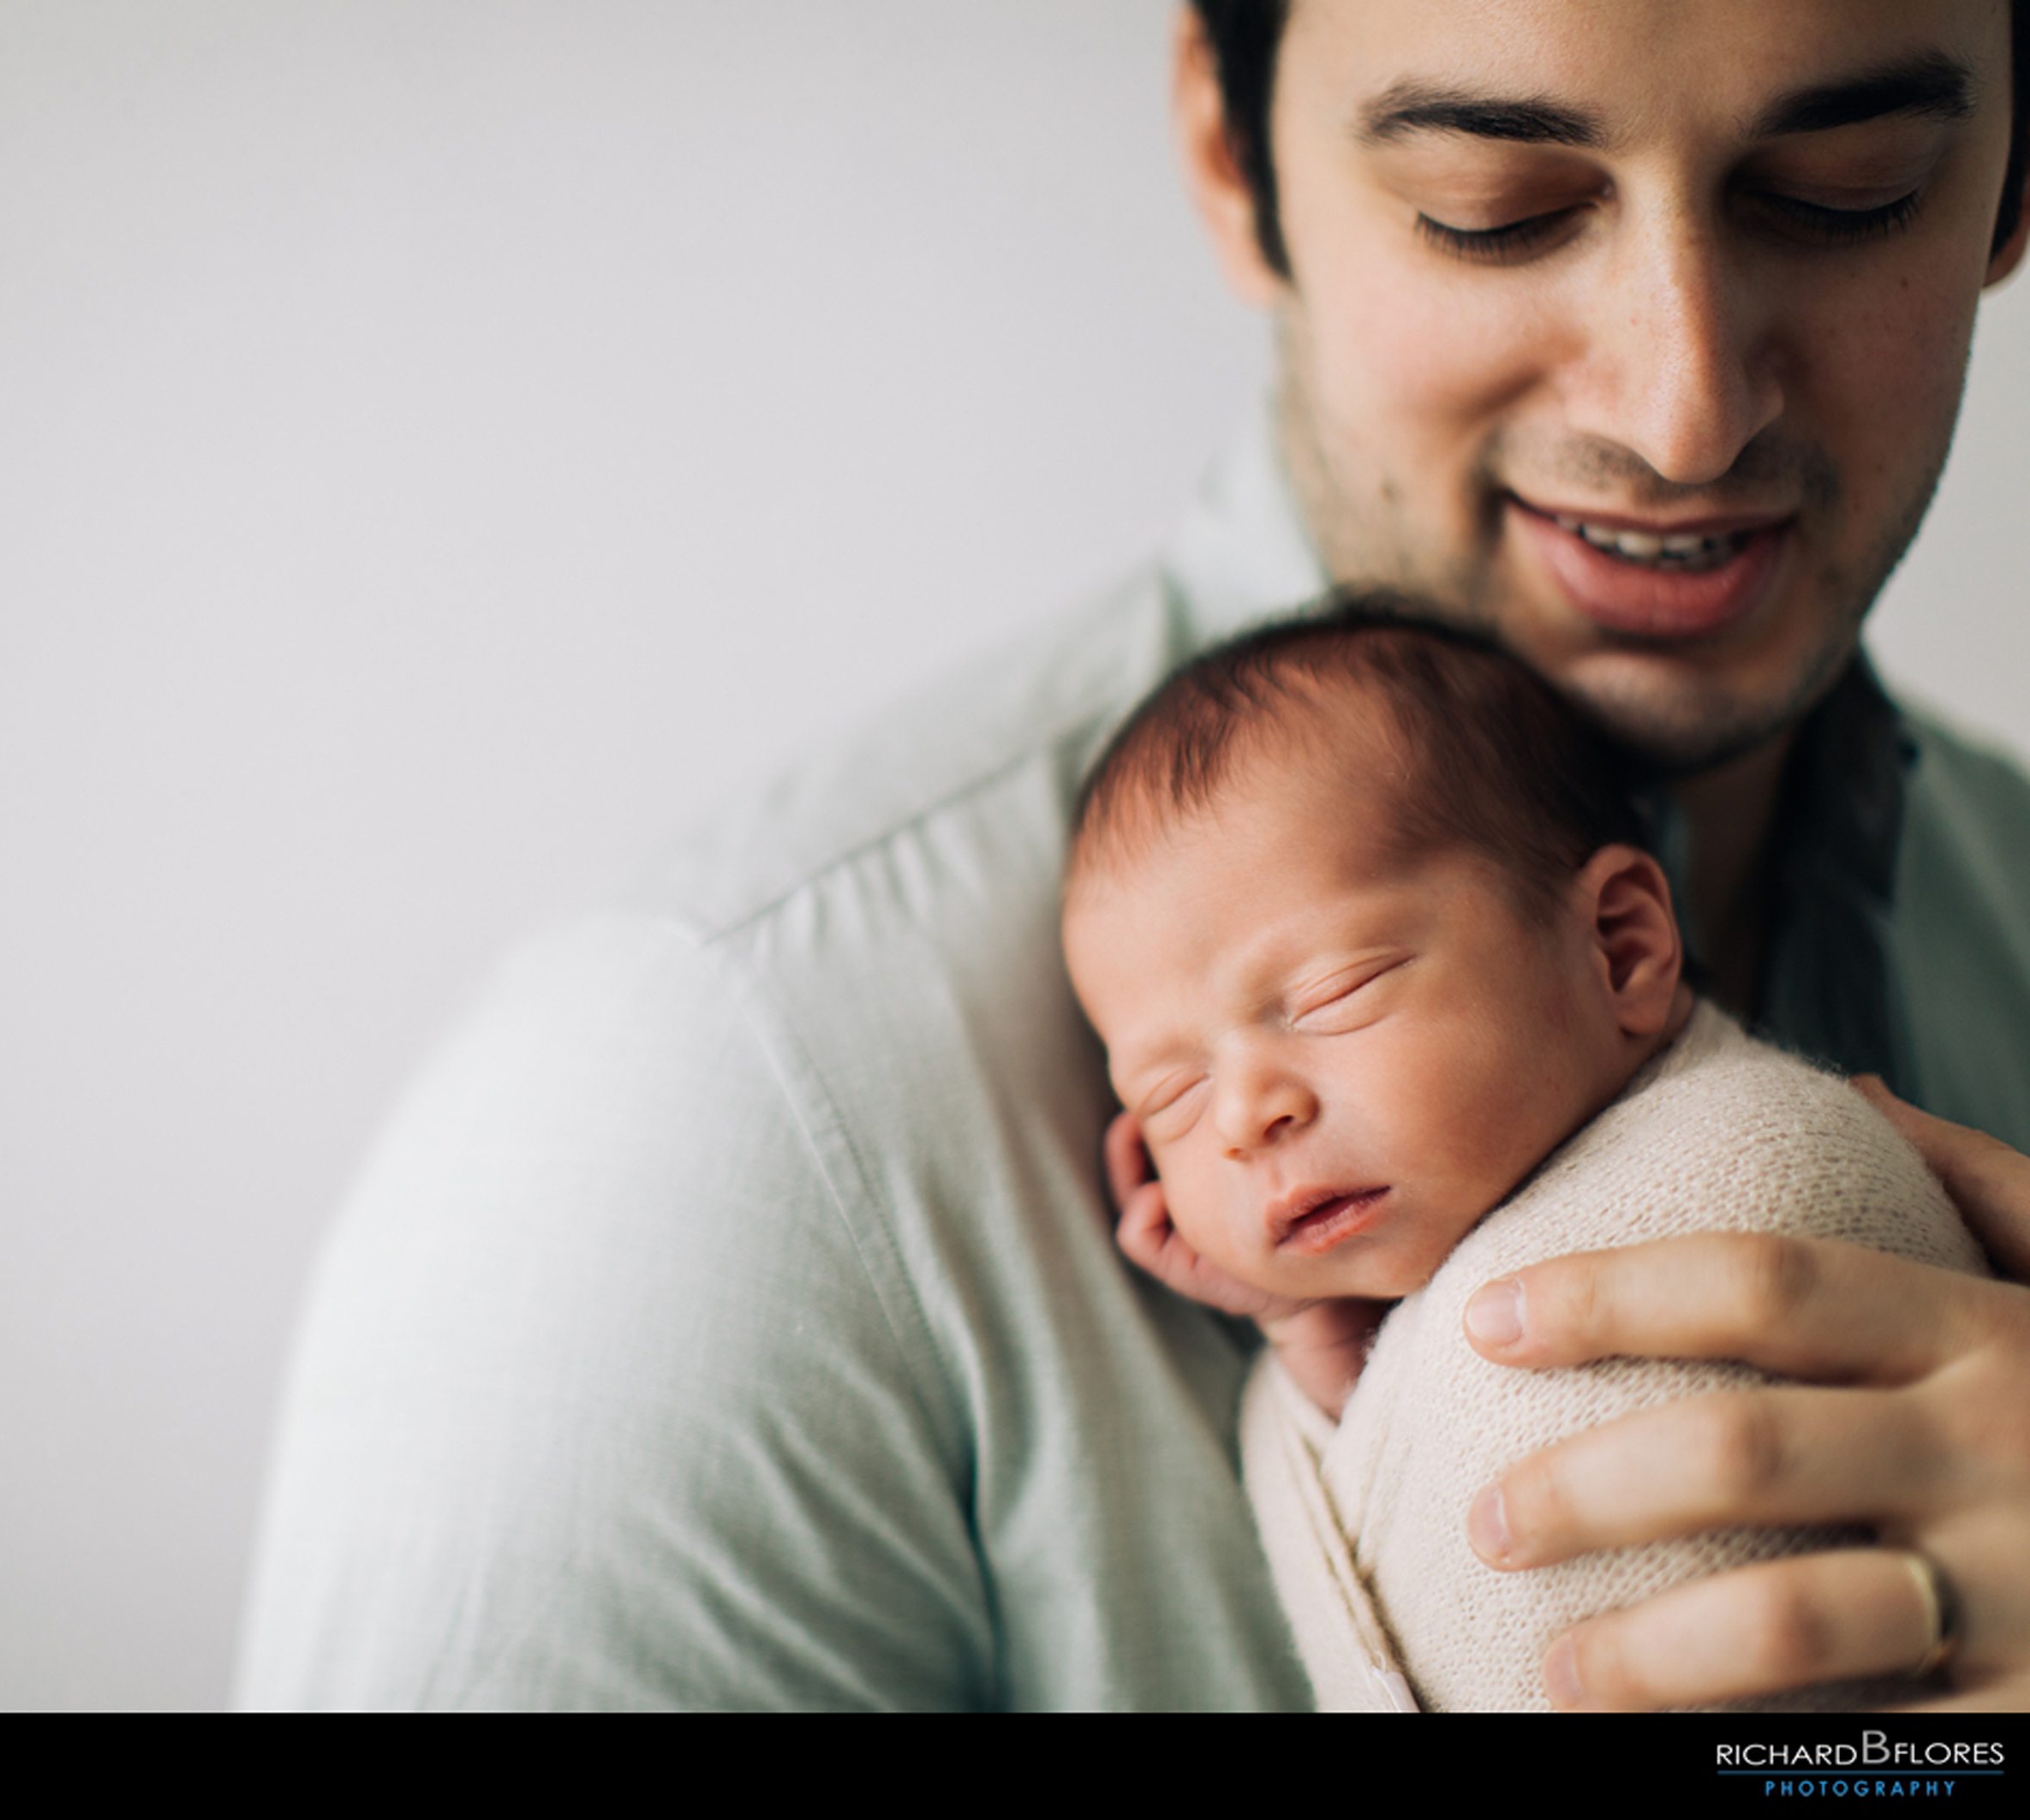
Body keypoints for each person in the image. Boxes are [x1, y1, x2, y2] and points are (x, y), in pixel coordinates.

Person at [238, 0, 2030, 1710]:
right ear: (1227, 149)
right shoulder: (707, 1110)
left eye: (1843, 186)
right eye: (1493, 210)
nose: (1684, 410)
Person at [1062, 606, 1986, 1710]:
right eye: (1169, 1095)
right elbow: (1412, 1551)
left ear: (1619, 946)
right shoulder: (1425, 1289)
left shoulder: (1756, 1165)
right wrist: (1316, 1333)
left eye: (1334, 992)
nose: (1243, 1116)